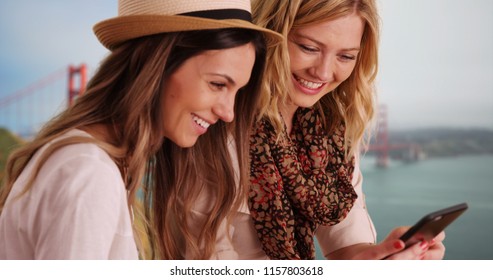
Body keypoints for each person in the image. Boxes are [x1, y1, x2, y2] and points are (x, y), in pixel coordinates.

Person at [0, 0, 282, 260]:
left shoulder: (90, 164)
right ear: (157, 65)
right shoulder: (89, 174)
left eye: (237, 92)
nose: (228, 113)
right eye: (218, 84)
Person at [188, 0, 445, 260]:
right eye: (308, 48)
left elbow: (348, 248)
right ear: (268, 34)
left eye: (345, 56)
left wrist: (383, 257)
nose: (323, 72)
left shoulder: (330, 133)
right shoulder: (208, 124)